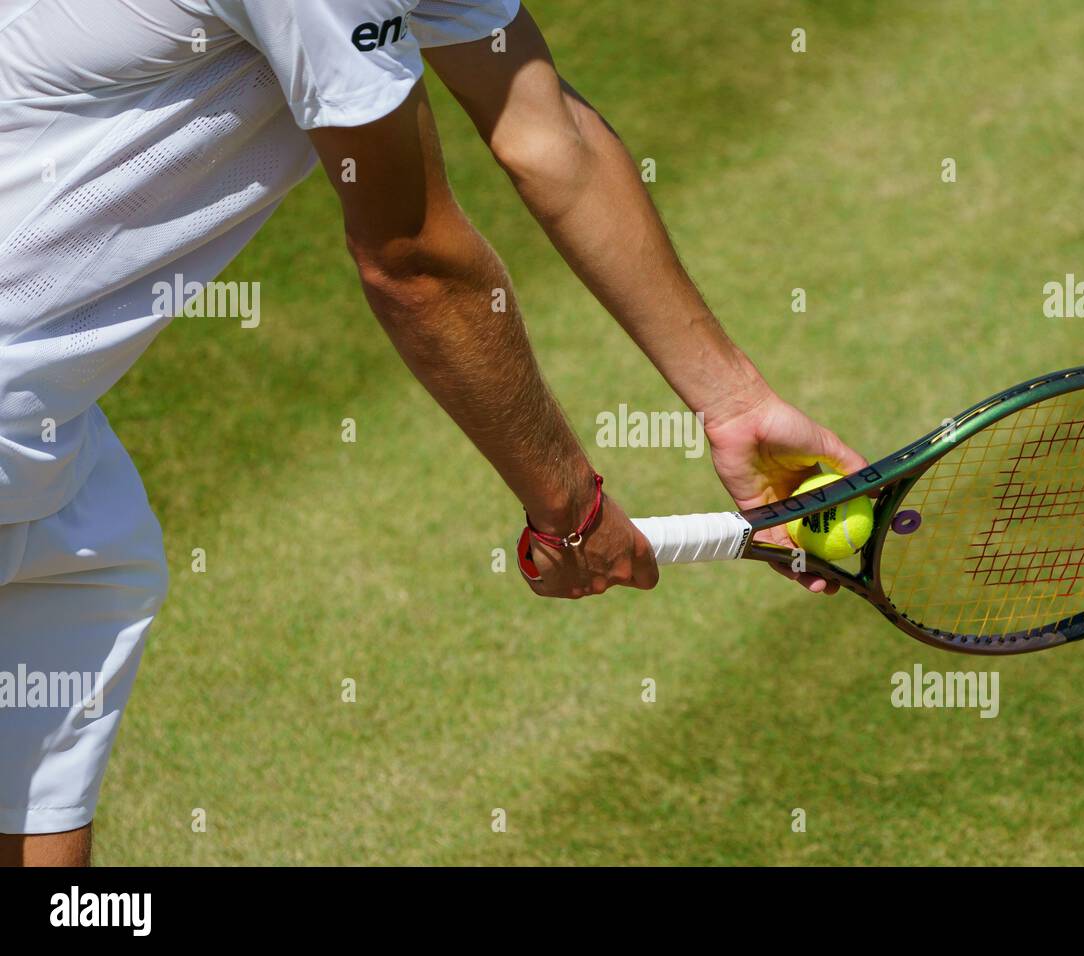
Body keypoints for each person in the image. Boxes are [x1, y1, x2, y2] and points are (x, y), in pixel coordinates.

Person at [0, 0, 865, 866]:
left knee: (75, 660)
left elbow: (545, 130)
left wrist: (736, 403)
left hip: (44, 438)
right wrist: (569, 508)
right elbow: (415, 261)